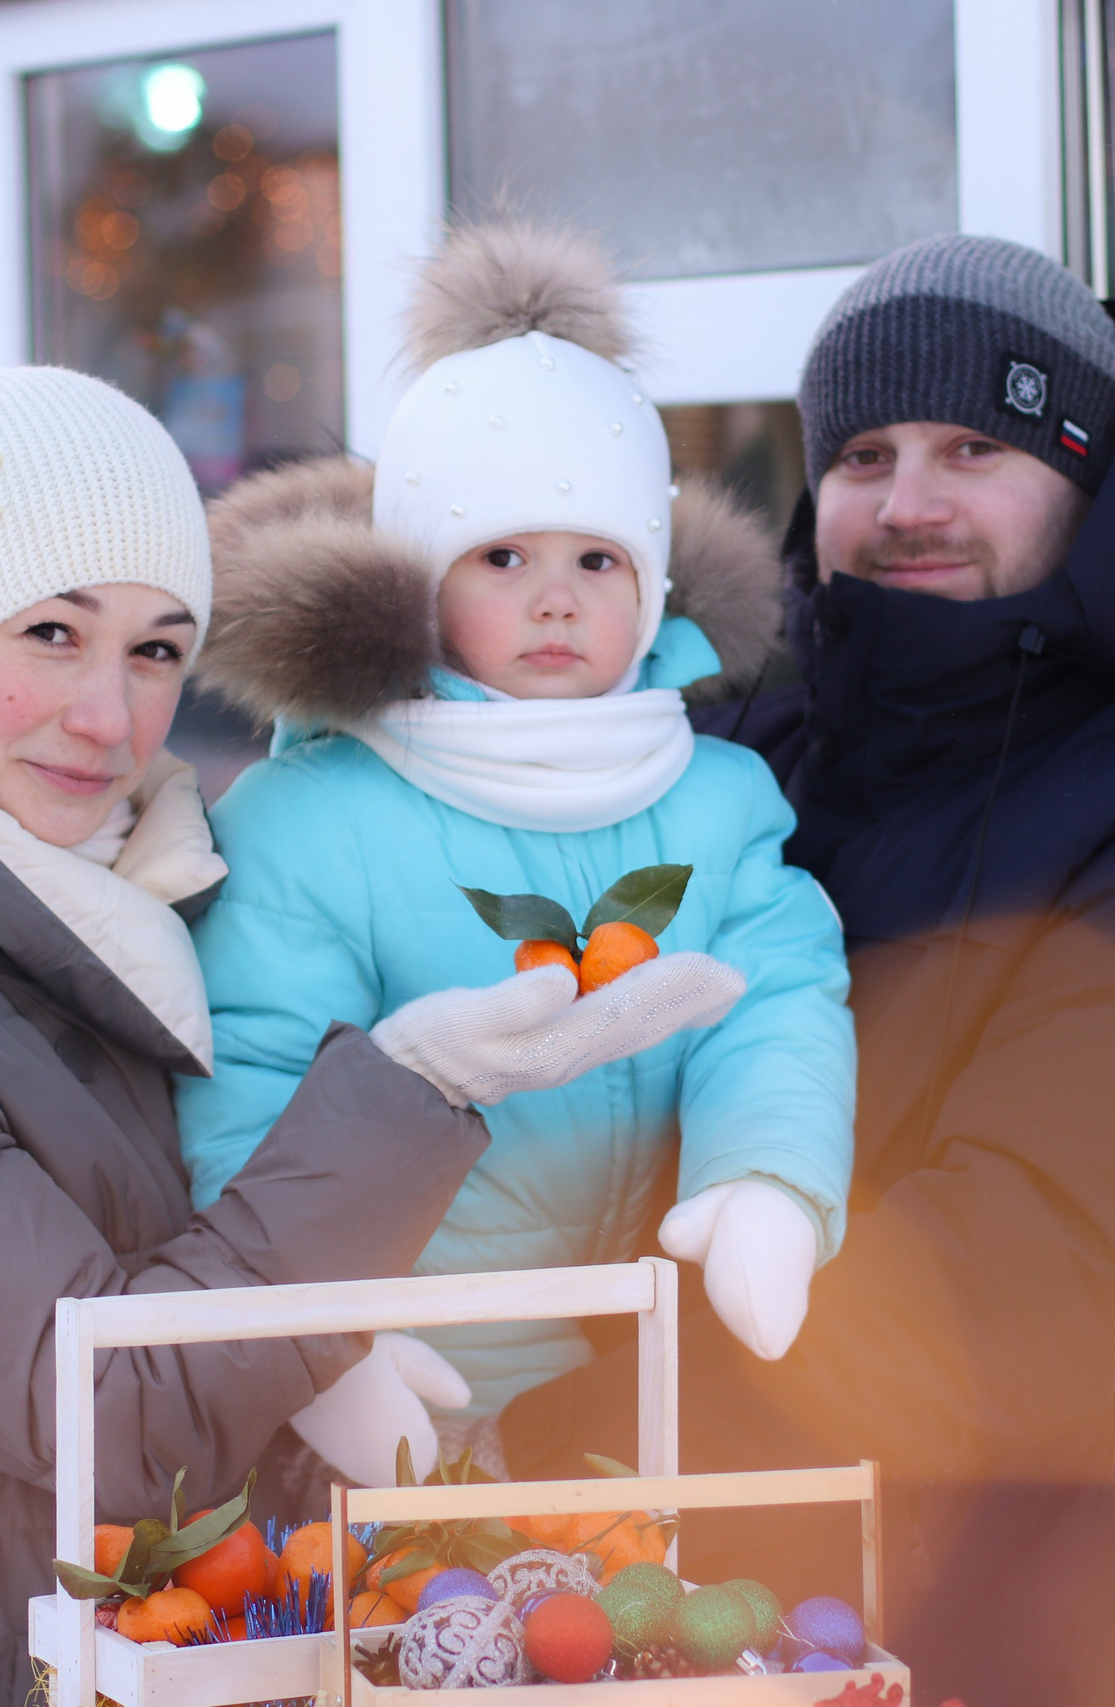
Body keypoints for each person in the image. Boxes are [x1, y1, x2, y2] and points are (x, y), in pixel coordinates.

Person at [0, 366, 736, 1706]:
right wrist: (412, 1092)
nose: (110, 714)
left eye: (154, 648)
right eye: (51, 634)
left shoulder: (76, 909)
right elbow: (109, 1412)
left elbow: (177, 1266)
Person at [502, 236, 1115, 1706]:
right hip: (630, 1627)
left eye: (975, 445)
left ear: (1097, 484)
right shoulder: (739, 765)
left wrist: (521, 1442)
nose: (907, 504)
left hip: (998, 1653)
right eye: (862, 451)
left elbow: (1001, 1302)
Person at [175, 224, 857, 1450]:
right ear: (421, 586)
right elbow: (249, 1090)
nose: (556, 598)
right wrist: (308, 1345)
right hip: (401, 1367)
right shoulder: (315, 818)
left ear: (651, 582)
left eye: (598, 558)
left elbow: (779, 1000)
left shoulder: (718, 798)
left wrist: (767, 1181)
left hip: (633, 1378)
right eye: (501, 558)